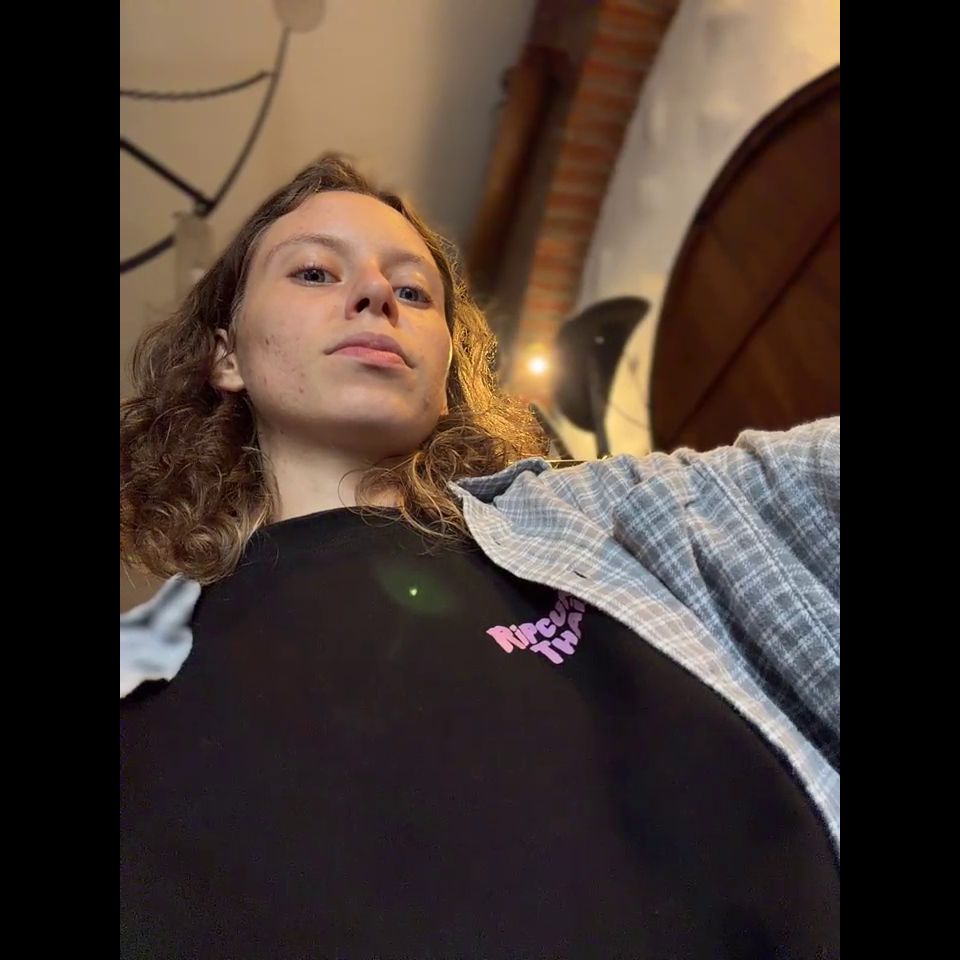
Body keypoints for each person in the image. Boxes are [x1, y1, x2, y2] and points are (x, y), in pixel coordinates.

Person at [120, 154, 840, 958]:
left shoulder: (603, 518)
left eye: (413, 292)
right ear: (226, 357)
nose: (375, 294)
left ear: (445, 375)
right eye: (316, 272)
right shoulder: (145, 692)